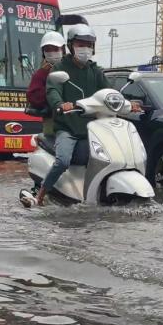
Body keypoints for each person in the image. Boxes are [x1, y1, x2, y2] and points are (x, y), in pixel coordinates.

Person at [34, 24, 111, 206]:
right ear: (70, 45)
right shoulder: (60, 68)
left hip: (92, 129)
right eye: (80, 44)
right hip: (68, 128)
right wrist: (60, 104)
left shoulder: (96, 71)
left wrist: (126, 103)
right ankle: (41, 194)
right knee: (63, 161)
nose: (85, 48)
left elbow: (109, 92)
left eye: (89, 44)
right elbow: (52, 90)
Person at [26, 31, 67, 136]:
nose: (52, 53)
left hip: (75, 123)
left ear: (63, 49)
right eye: (48, 50)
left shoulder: (72, 69)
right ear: (43, 53)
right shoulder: (41, 74)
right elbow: (34, 98)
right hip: (52, 122)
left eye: (55, 49)